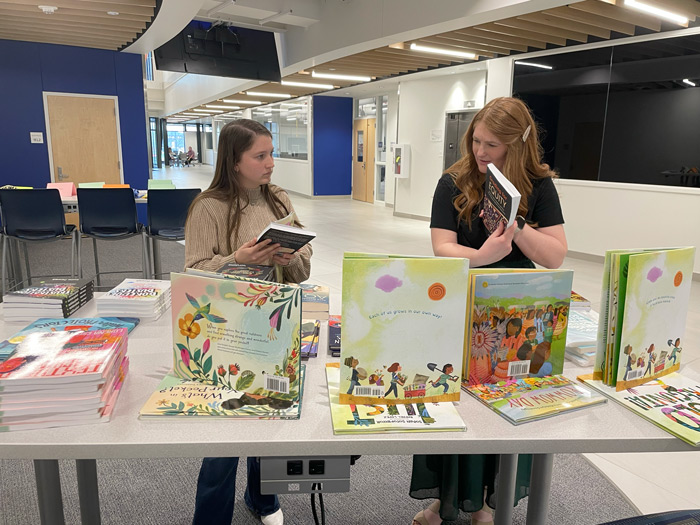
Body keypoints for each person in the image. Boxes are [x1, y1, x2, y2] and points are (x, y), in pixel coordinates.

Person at [410, 97, 567, 525]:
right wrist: (484, 253)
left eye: (492, 145)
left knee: (503, 403)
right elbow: (442, 249)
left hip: (517, 313)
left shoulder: (539, 185)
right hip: (462, 306)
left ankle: (487, 504)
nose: (480, 152)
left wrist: (516, 230)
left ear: (516, 145)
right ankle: (446, 500)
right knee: (455, 401)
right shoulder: (453, 181)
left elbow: (554, 257)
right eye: (476, 140)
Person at [185, 119, 312, 525]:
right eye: (260, 155)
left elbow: (304, 268)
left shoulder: (277, 199)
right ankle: (211, 515)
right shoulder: (208, 206)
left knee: (270, 412)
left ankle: (263, 499)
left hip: (273, 322)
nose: (271, 163)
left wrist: (288, 257)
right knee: (227, 429)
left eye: (271, 153)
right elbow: (193, 276)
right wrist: (236, 261)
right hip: (225, 330)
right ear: (235, 161)